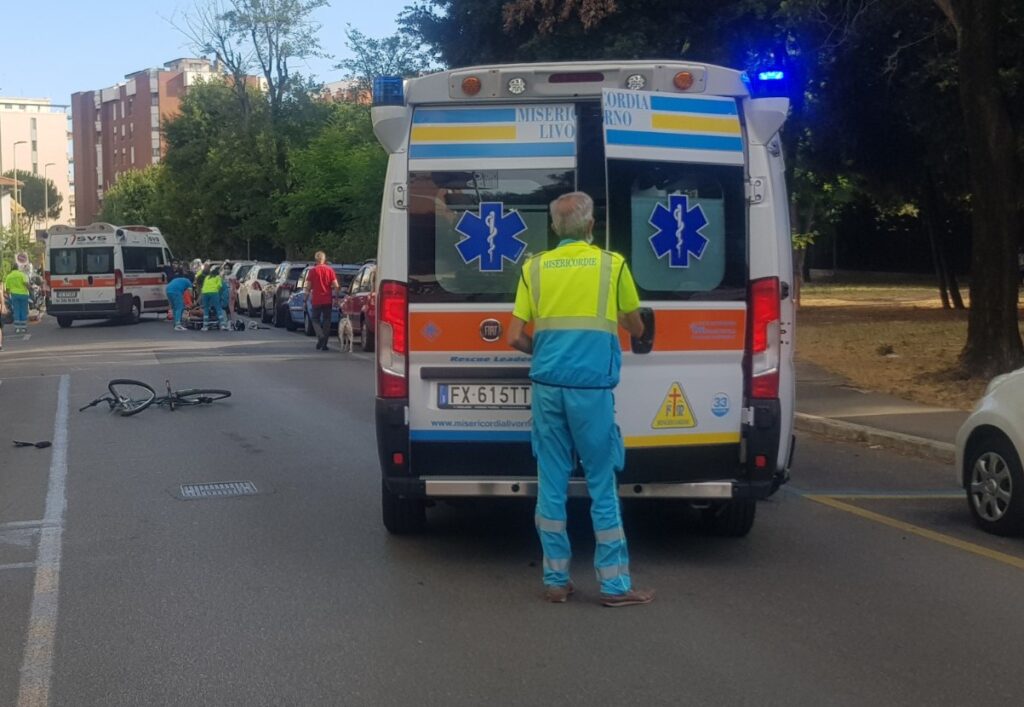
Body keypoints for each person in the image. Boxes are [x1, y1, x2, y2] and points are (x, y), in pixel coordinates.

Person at [507, 191, 654, 608]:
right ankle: (614, 586)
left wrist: (545, 354)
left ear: (555, 228)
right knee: (601, 484)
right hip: (591, 391)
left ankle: (556, 580)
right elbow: (635, 326)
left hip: (547, 387)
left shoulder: (534, 268)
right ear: (591, 226)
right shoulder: (612, 265)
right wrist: (632, 327)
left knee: (551, 483)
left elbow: (514, 336)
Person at [304, 251, 339, 351]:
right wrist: (336, 298)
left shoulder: (312, 271)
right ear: (324, 259)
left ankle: (320, 336)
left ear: (316, 260)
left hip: (316, 300)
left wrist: (305, 300)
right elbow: (336, 286)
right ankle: (324, 344)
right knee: (327, 321)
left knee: (315, 319)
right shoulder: (330, 270)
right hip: (327, 299)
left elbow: (308, 287)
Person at [4, 264, 31, 334]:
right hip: (23, 295)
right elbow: (26, 283)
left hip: (14, 295)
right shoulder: (21, 274)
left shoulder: (9, 276)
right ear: (17, 268)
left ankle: (17, 328)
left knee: (16, 311)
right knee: (23, 311)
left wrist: (8, 295)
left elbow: (7, 289)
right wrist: (30, 289)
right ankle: (23, 328)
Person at [200, 266, 227, 331]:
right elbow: (219, 285)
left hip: (205, 292)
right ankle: (222, 325)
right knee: (218, 308)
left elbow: (204, 286)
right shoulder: (218, 277)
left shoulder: (207, 277)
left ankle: (205, 326)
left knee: (206, 309)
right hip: (214, 292)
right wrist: (217, 292)